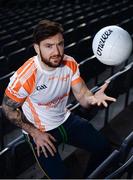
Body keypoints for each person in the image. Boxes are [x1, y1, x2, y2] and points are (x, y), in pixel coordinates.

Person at [2, 19, 116, 179]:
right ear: (37, 48)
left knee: (103, 147)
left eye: (60, 44)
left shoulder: (70, 63)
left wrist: (92, 98)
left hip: (65, 119)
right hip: (40, 131)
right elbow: (8, 108)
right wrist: (34, 133)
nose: (57, 51)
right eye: (49, 46)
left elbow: (83, 95)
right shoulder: (25, 77)